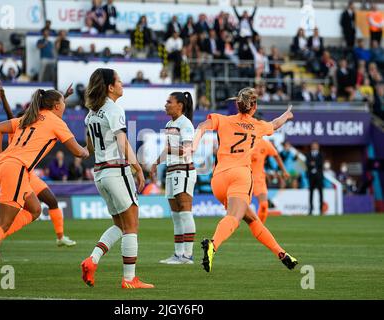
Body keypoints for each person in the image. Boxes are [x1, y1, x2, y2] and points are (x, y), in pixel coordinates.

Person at [0, 88, 89, 284]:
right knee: (3, 222)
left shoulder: (31, 117)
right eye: (64, 102)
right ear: (57, 106)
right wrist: (89, 149)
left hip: (5, 166)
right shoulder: (57, 122)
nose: (65, 105)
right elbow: (79, 153)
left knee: (35, 209)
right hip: (17, 169)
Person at [192, 87, 298, 273]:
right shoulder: (257, 125)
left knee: (252, 218)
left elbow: (202, 126)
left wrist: (193, 145)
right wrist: (287, 114)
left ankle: (282, 254)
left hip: (218, 179)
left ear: (237, 104)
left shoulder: (222, 119)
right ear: (254, 107)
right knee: (234, 216)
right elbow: (275, 124)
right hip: (240, 176)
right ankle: (213, 244)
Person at [80, 68, 154, 289]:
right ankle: (129, 279)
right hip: (116, 171)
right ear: (110, 87)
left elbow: (90, 147)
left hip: (100, 174)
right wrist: (138, 168)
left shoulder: (90, 114)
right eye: (119, 81)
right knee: (132, 225)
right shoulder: (114, 109)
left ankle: (92, 260)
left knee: (120, 225)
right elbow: (122, 142)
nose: (122, 84)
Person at [0, 81, 78, 251]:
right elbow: (8, 117)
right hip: (13, 168)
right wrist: (3, 97)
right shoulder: (19, 125)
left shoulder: (35, 123)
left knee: (50, 200)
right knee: (7, 209)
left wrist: (64, 97)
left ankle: (60, 237)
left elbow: (48, 111)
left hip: (26, 172)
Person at [150, 92, 196, 265]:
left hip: (183, 170)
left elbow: (187, 150)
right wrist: (156, 163)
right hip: (171, 170)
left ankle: (188, 255)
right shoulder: (170, 124)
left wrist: (169, 151)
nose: (166, 105)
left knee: (185, 211)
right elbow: (168, 149)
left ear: (180, 105)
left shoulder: (186, 124)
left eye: (169, 102)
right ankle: (178, 254)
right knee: (176, 216)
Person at [251, 138, 290, 224]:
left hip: (258, 179)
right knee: (238, 209)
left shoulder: (265, 143)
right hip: (243, 178)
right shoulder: (244, 140)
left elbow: (276, 155)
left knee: (264, 205)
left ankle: (259, 228)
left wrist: (284, 170)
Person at [306, 141, 324, 216]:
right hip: (311, 177)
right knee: (311, 193)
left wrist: (314, 164)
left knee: (320, 193)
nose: (314, 146)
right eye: (313, 145)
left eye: (315, 145)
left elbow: (321, 163)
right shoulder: (308, 154)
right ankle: (310, 209)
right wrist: (311, 164)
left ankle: (321, 209)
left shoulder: (321, 154)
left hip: (319, 176)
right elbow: (307, 163)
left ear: (318, 146)